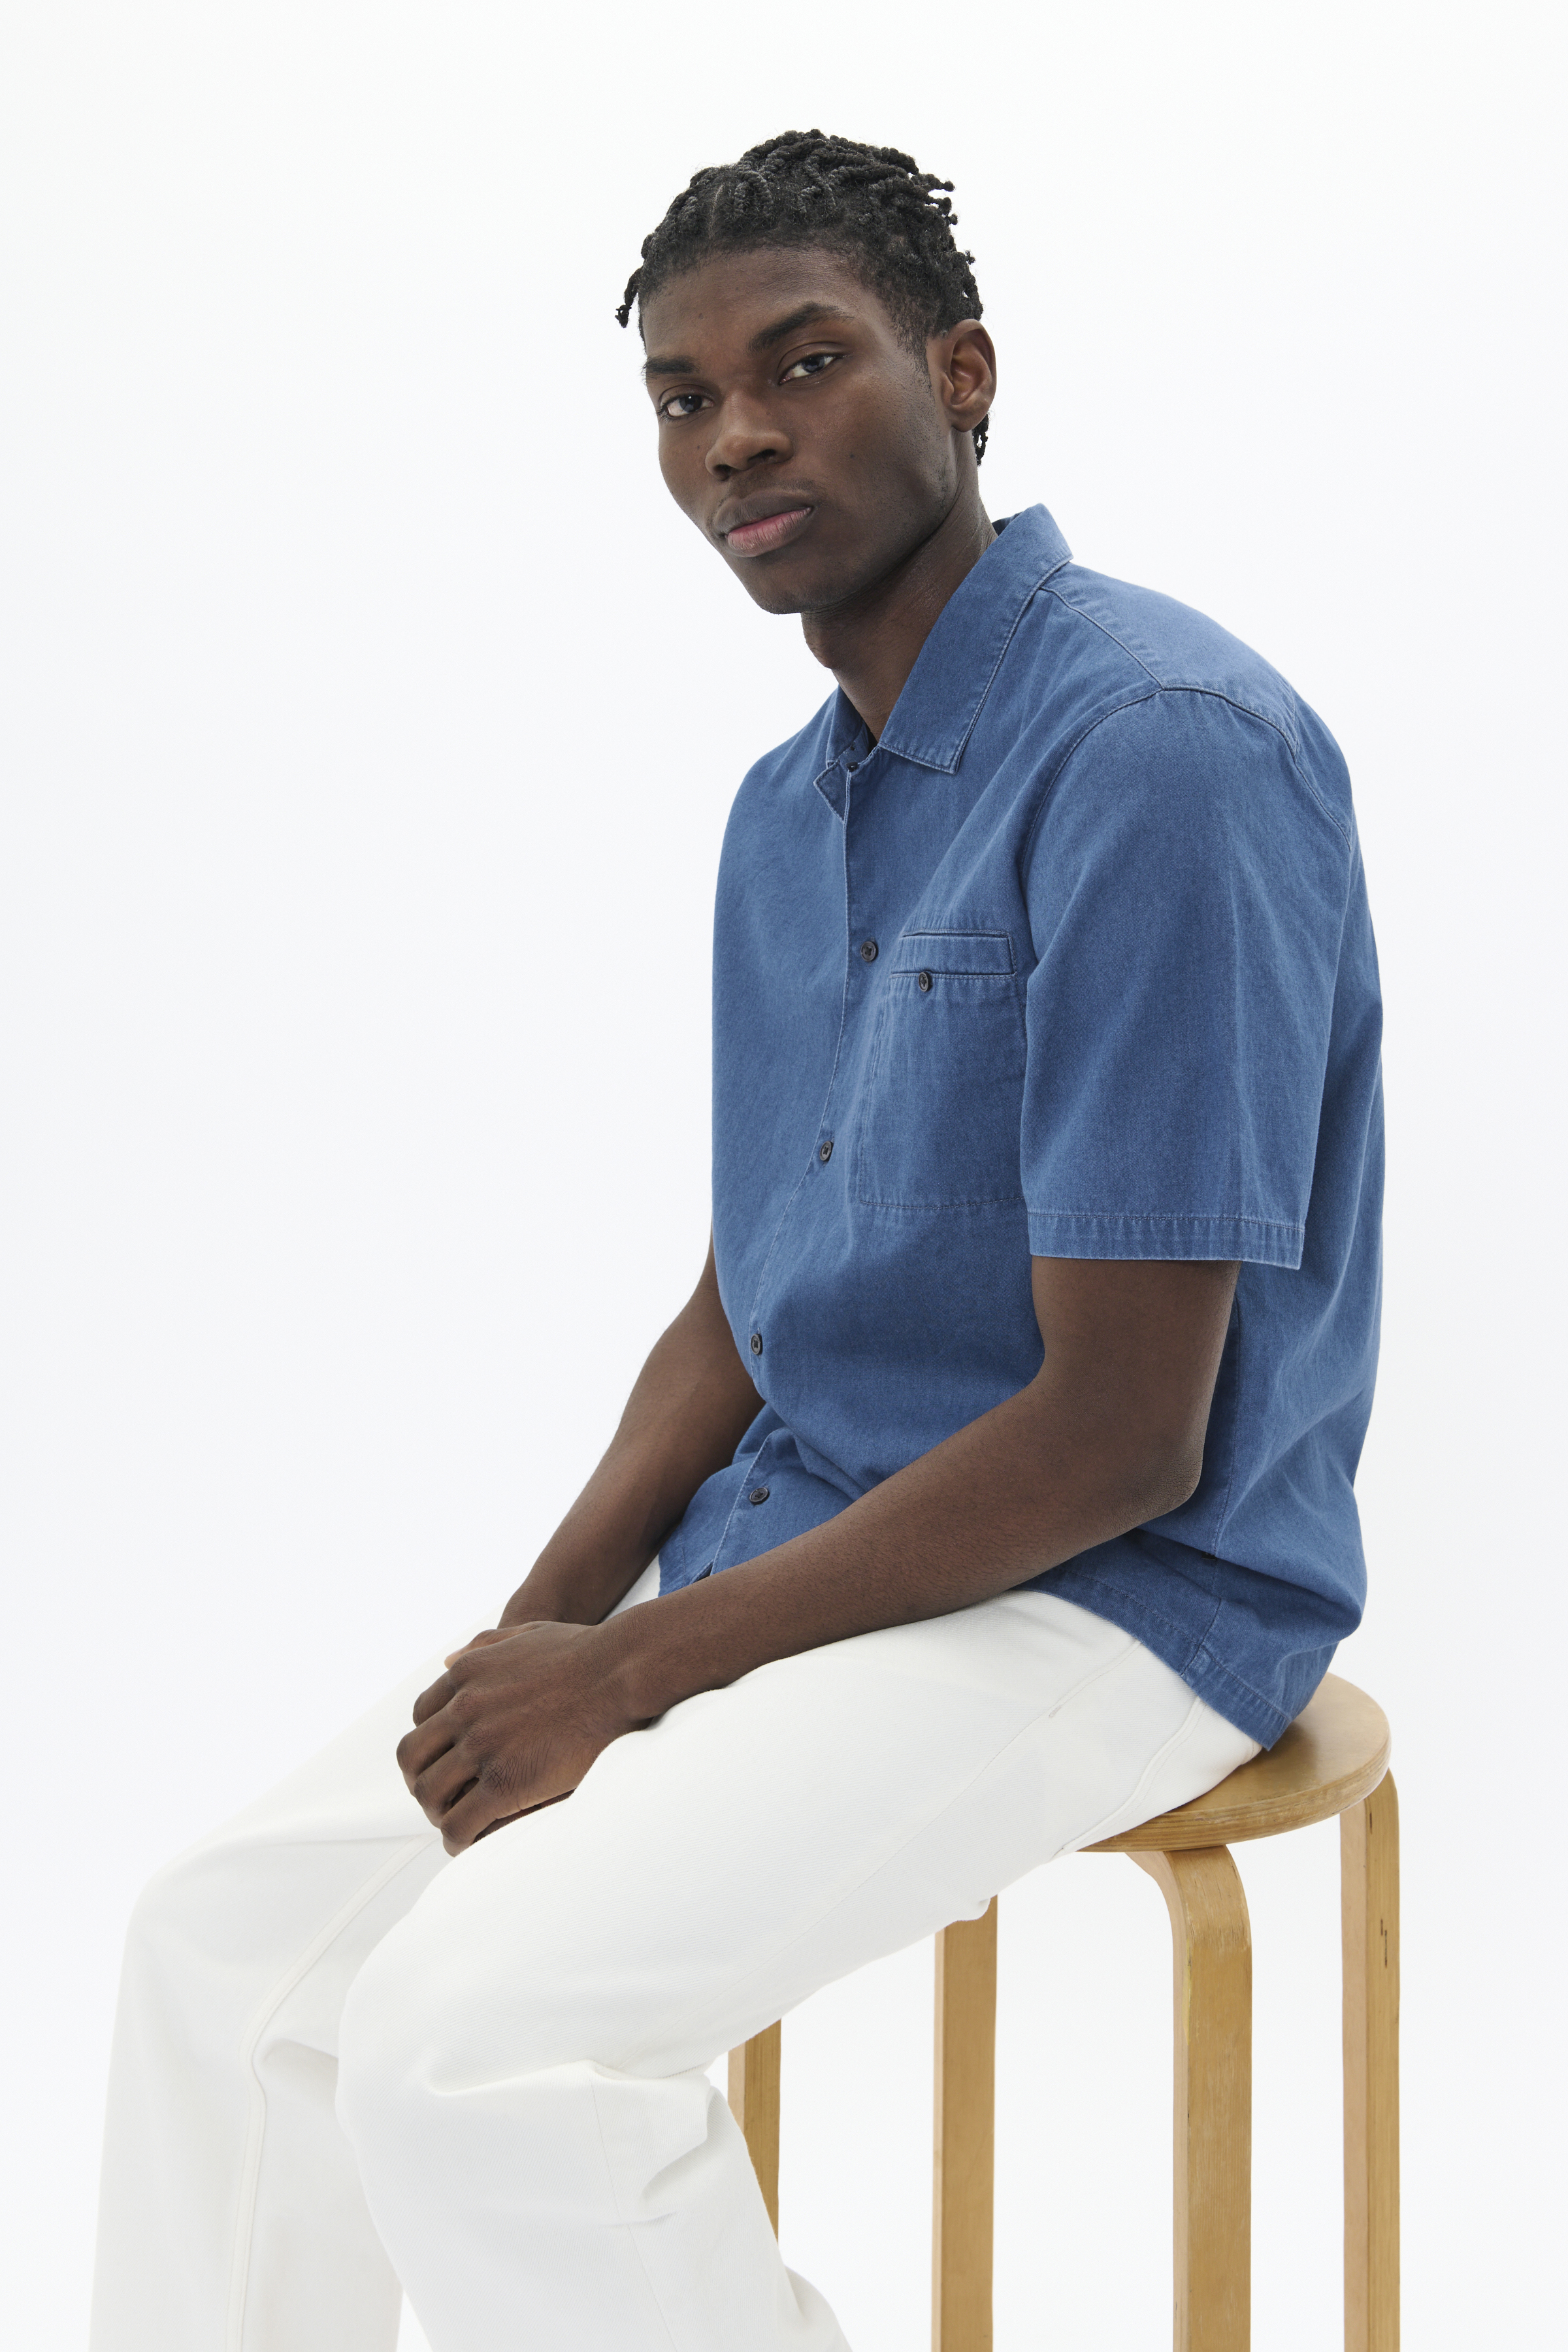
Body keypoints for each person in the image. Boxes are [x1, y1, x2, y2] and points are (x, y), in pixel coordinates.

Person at [90, 131, 1383, 2352]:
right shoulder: (790, 814)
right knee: (224, 1956)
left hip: (1113, 1595)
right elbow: (751, 1293)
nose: (737, 437)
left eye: (802, 364)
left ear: (961, 374)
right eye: (684, 399)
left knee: (474, 2045)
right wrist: (537, 1641)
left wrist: (633, 1676)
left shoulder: (1161, 751)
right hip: (805, 1545)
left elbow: (1127, 1436)